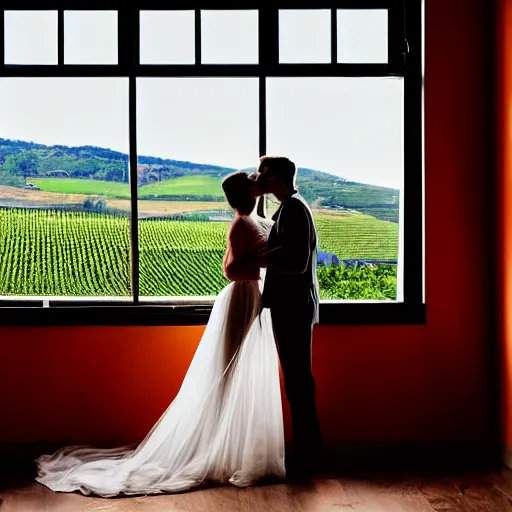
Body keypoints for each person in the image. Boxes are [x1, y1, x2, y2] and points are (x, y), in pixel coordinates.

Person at [34, 171, 285, 497]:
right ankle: (217, 447)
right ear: (245, 194)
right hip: (243, 296)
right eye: (252, 182)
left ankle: (233, 447)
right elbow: (231, 269)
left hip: (252, 297)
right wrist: (264, 260)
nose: (257, 185)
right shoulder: (241, 223)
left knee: (242, 373)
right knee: (230, 372)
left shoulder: (252, 219)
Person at [253, 156, 322, 475]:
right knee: (297, 380)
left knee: (297, 381)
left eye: (263, 172)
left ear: (278, 176)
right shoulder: (291, 206)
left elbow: (297, 263)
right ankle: (309, 452)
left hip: (292, 306)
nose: (258, 176)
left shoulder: (294, 209)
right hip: (292, 305)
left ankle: (309, 457)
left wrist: (265, 259)